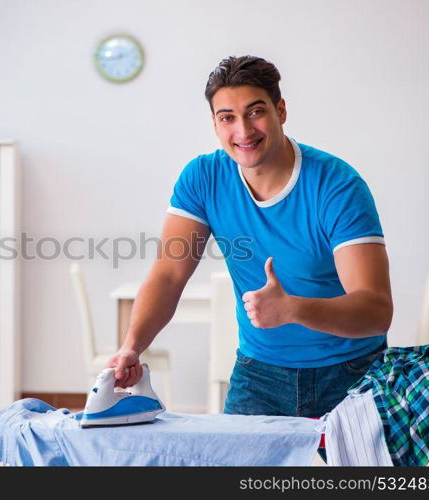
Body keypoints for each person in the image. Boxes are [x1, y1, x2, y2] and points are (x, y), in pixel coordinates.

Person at [107, 55, 393, 421]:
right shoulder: (203, 178)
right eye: (227, 117)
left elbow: (376, 311)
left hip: (352, 373)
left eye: (255, 112)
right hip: (260, 374)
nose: (243, 131)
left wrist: (293, 308)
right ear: (214, 123)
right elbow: (169, 274)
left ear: (281, 110)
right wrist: (132, 347)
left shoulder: (337, 186)